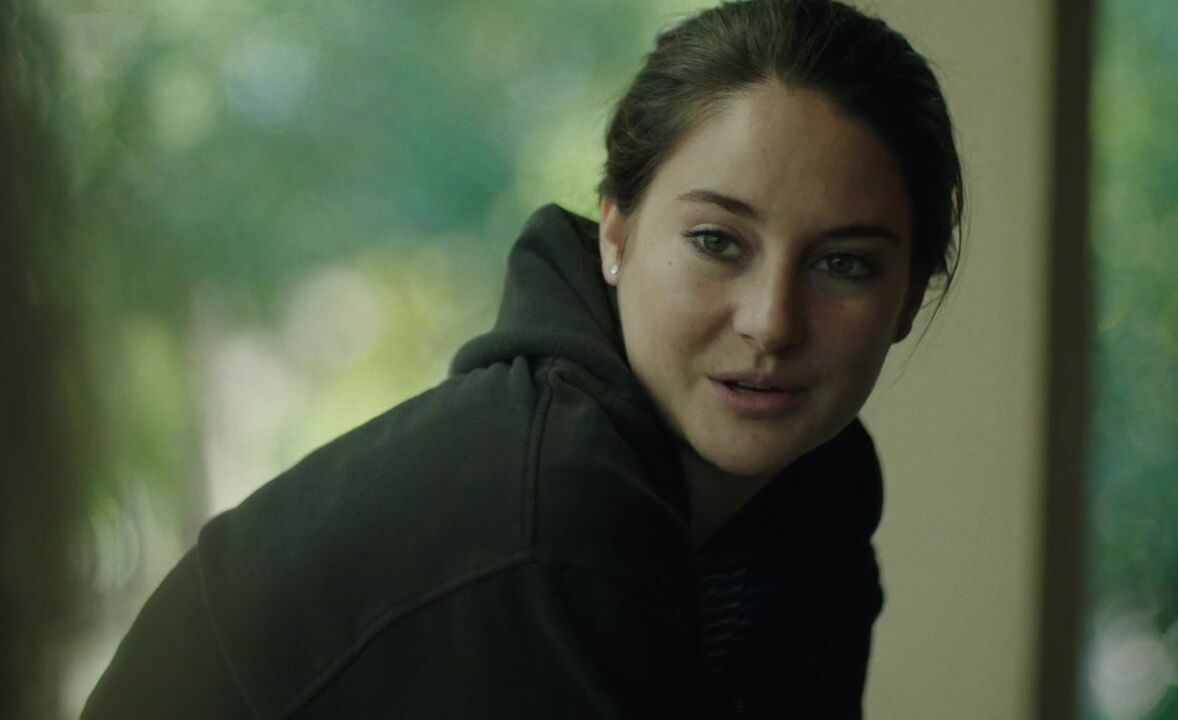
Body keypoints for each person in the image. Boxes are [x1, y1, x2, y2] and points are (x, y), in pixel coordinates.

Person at [82, 0, 962, 717]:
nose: (771, 322)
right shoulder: (547, 515)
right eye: (716, 242)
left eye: (844, 264)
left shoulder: (818, 502)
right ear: (615, 234)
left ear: (910, 296)